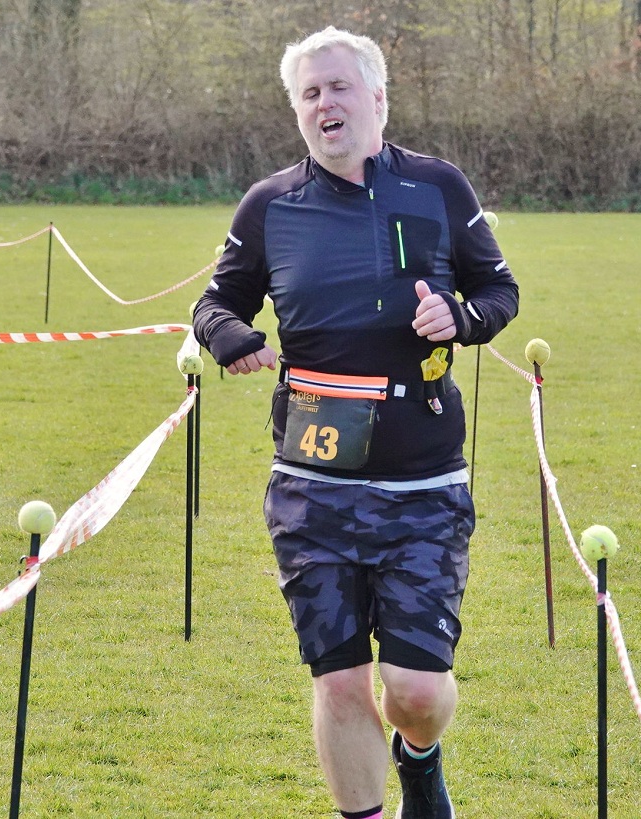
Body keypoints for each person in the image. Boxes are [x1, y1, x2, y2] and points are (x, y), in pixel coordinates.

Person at [192, 25, 518, 819]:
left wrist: (461, 318)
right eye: (308, 93)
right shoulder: (271, 205)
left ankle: (420, 757)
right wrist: (230, 337)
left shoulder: (438, 187)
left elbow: (500, 292)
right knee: (339, 683)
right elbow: (216, 301)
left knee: (415, 691)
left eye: (337, 87)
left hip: (423, 483)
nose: (323, 103)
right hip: (313, 484)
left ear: (377, 96)